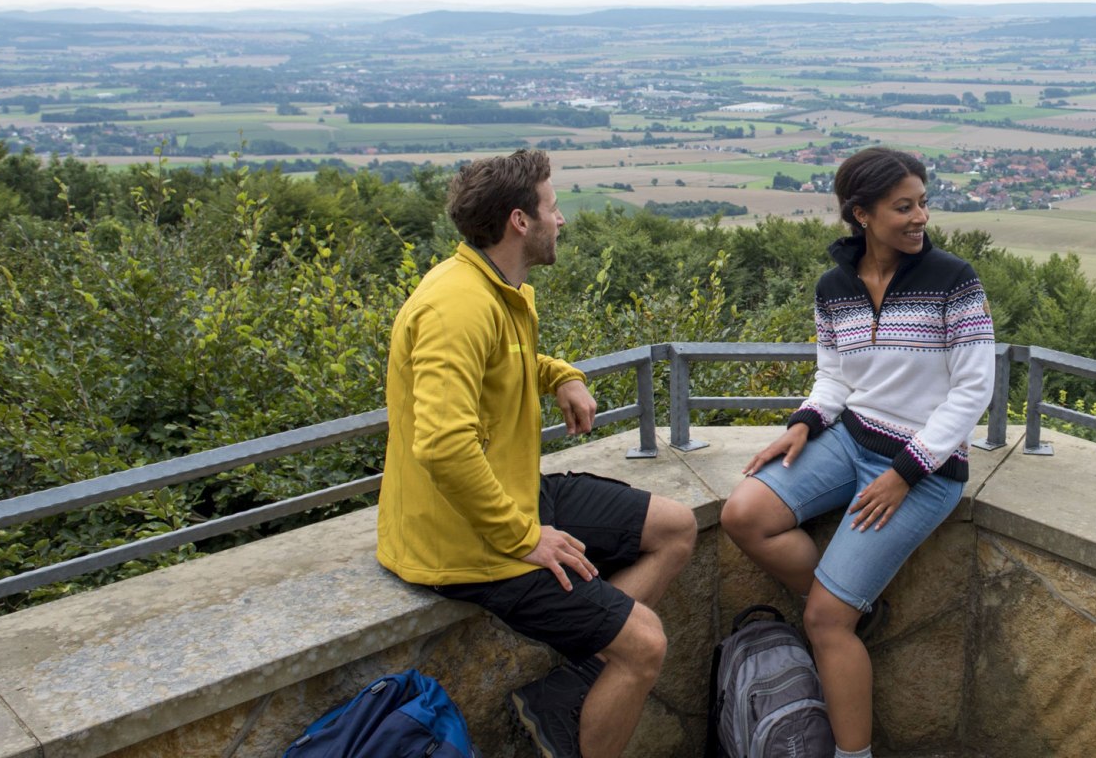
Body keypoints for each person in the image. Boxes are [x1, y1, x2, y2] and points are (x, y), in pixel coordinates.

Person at [377, 149, 698, 758]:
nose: (562, 220)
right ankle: (601, 678)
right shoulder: (457, 306)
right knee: (644, 646)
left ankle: (581, 677)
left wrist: (561, 375)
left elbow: (503, 366)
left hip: (510, 491)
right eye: (553, 207)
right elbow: (443, 445)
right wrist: (524, 537)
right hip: (465, 540)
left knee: (676, 527)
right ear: (520, 221)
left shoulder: (495, 287)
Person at [721, 147, 995, 758]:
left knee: (823, 621)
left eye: (923, 202)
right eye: (904, 206)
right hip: (850, 440)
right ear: (861, 214)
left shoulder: (954, 280)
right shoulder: (834, 287)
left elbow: (973, 388)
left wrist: (904, 473)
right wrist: (802, 422)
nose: (921, 216)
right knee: (743, 515)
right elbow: (835, 376)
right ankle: (854, 603)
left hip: (925, 470)